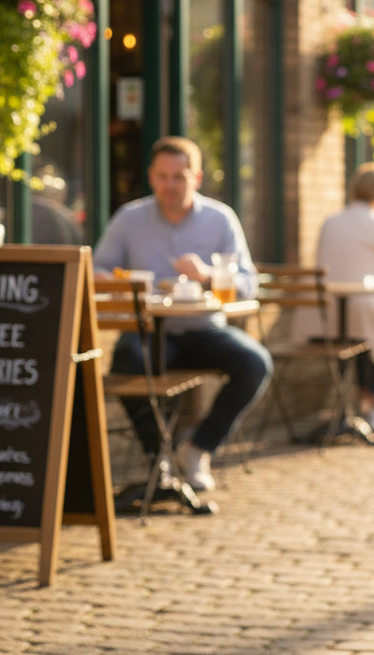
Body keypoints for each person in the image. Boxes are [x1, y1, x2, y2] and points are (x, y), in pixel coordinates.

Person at [94, 136, 273, 492]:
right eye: (162, 176)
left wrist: (207, 275)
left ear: (197, 178)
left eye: (179, 177)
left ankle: (197, 448)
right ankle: (158, 456)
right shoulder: (129, 218)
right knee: (126, 361)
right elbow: (97, 269)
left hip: (205, 330)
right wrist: (118, 280)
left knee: (256, 363)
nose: (170, 185)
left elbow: (248, 284)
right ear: (151, 177)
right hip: (148, 330)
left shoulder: (221, 219)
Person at [307, 163, 374, 434]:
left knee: (365, 337)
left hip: (322, 313)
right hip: (364, 307)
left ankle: (365, 400)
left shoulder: (330, 221)